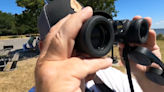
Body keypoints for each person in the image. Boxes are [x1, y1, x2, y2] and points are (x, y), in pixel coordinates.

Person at [33, 1, 164, 92]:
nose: (89, 50)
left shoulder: (108, 75)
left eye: (93, 33)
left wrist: (150, 83)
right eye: (73, 38)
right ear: (42, 47)